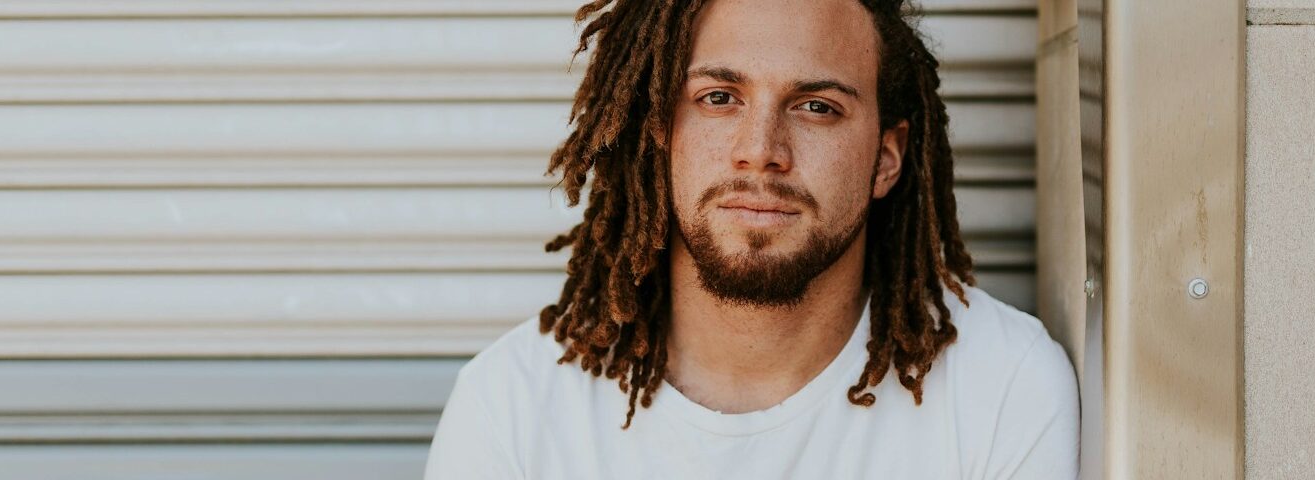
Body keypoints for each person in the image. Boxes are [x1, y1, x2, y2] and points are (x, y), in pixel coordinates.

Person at [425, 0, 1078, 478]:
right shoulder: (512, 405)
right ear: (659, 130)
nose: (760, 152)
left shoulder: (1001, 387)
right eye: (718, 97)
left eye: (816, 107)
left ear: (886, 158)